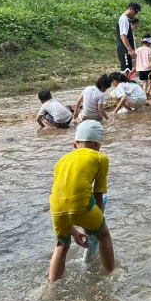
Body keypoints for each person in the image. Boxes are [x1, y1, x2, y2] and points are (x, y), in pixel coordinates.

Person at [48, 120, 114, 281]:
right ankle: (110, 275)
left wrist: (73, 230)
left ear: (74, 144)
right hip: (83, 207)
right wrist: (95, 228)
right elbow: (98, 194)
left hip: (56, 209)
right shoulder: (100, 157)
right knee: (104, 236)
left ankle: (51, 287)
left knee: (61, 245)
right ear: (98, 145)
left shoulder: (61, 161)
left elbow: (62, 197)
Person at [116, 2, 141, 73]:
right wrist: (130, 49)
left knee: (128, 71)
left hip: (126, 50)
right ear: (130, 9)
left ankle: (124, 83)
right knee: (126, 71)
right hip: (124, 50)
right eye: (135, 11)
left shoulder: (126, 19)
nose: (135, 14)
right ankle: (122, 83)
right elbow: (123, 36)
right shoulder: (123, 19)